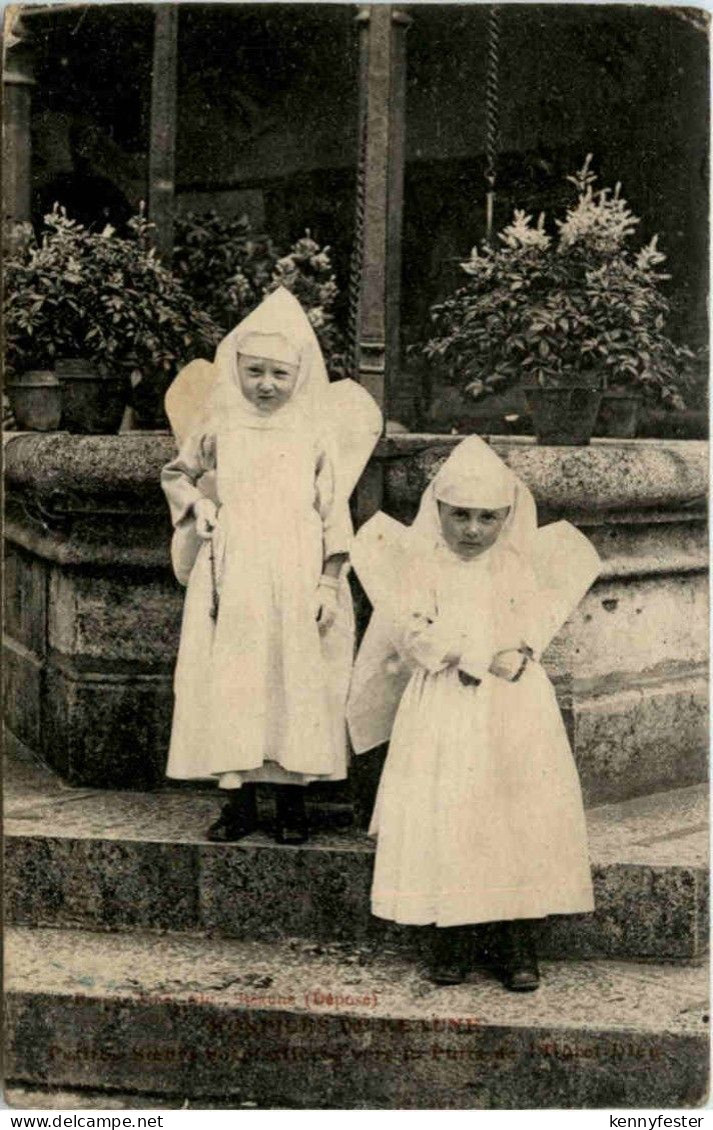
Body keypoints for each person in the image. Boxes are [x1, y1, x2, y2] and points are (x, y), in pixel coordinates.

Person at [347, 436, 601, 991]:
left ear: (507, 518)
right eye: (460, 516)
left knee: (511, 814)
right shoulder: (420, 567)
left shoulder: (517, 567)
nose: (472, 530)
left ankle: (515, 940)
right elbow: (411, 635)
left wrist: (524, 647)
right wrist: (470, 654)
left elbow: (535, 622)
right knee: (450, 810)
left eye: (488, 518)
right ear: (437, 510)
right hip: (443, 705)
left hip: (511, 711)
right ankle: (451, 936)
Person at [161, 287, 379, 845]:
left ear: (298, 376)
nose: (265, 384)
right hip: (233, 568)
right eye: (254, 371)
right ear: (236, 369)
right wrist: (201, 505)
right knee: (233, 677)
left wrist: (329, 581)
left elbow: (333, 513)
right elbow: (177, 475)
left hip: (296, 564)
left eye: (279, 374)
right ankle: (237, 802)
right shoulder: (218, 427)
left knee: (294, 678)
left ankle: (291, 803)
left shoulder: (314, 433)